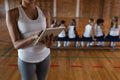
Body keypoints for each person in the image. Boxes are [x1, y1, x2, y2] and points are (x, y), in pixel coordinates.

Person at [6, 0, 56, 80]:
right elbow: (16, 44)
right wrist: (33, 37)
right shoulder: (12, 13)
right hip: (26, 59)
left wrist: (49, 43)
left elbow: (48, 37)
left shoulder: (45, 12)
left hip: (45, 56)